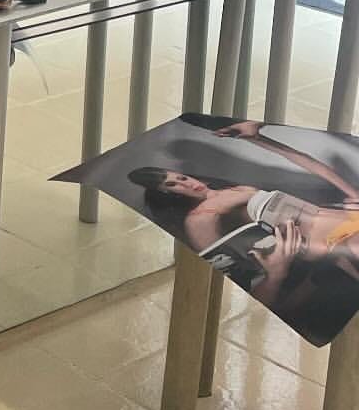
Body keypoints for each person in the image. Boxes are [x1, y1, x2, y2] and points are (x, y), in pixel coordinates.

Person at [128, 117, 359, 299]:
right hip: (331, 242)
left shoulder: (235, 188)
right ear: (169, 194)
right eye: (173, 185)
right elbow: (228, 273)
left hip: (345, 219)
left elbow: (308, 163)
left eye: (181, 177)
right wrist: (276, 273)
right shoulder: (200, 218)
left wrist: (257, 138)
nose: (186, 183)